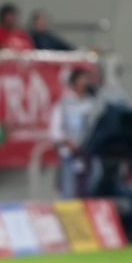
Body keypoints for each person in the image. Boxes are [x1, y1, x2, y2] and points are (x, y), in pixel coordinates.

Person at [49, 68, 96, 198]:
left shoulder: (91, 103)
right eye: (82, 80)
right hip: (69, 154)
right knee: (68, 191)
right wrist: (67, 141)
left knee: (89, 191)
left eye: (86, 79)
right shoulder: (63, 104)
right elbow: (54, 131)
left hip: (87, 155)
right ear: (74, 83)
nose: (85, 83)